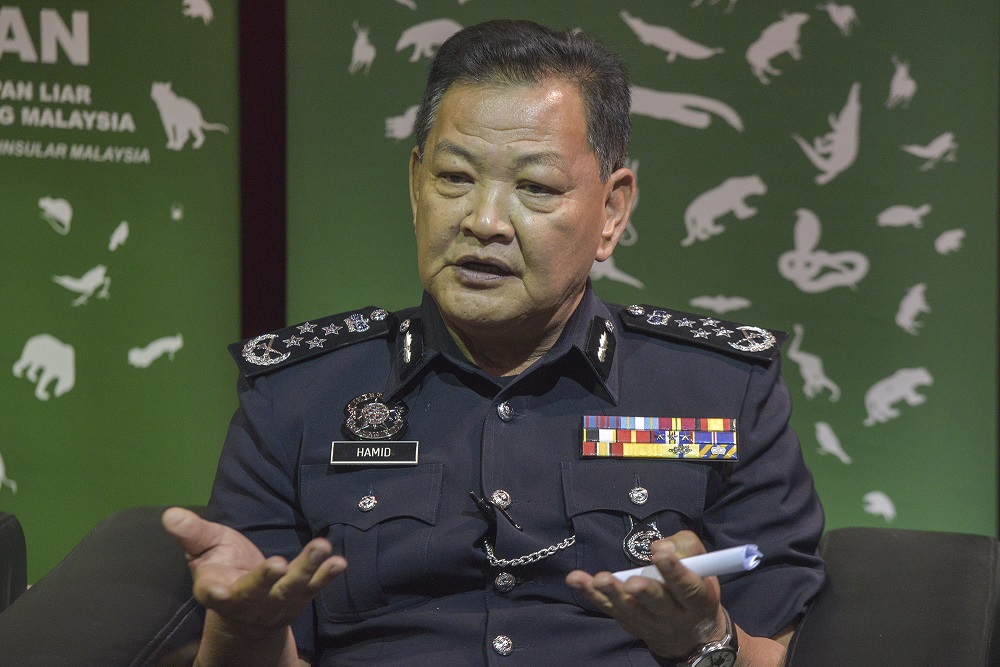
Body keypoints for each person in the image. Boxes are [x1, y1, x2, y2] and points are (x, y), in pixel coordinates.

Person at [162, 19, 825, 667]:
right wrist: (244, 627)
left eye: (534, 187)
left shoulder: (722, 395)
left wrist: (705, 640)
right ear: (415, 185)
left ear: (612, 211)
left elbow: (778, 643)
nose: (483, 221)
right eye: (454, 177)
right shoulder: (296, 398)